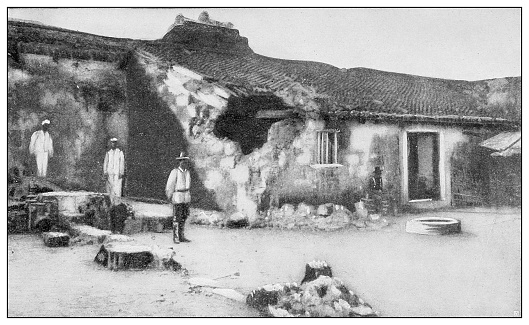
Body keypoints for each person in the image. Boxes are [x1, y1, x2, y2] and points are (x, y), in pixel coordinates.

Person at [165, 152, 191, 244]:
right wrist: (169, 196)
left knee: (184, 217)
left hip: (186, 197)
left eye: (185, 161)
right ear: (179, 162)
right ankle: (176, 237)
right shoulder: (175, 172)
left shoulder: (187, 172)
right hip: (178, 196)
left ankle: (181, 236)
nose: (184, 163)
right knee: (177, 217)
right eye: (182, 161)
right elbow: (170, 185)